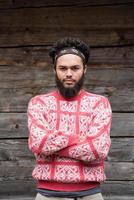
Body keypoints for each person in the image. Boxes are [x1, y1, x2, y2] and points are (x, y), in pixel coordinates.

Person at [27, 37, 112, 200]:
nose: (69, 74)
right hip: (47, 194)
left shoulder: (99, 104)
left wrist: (54, 145)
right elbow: (39, 143)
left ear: (84, 69)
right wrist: (78, 138)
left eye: (75, 68)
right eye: (63, 68)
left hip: (90, 194)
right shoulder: (39, 103)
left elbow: (97, 150)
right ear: (54, 70)